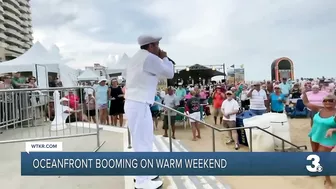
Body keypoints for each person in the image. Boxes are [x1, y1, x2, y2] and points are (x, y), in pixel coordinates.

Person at [124, 34, 174, 189]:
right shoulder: (149, 58)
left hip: (136, 103)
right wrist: (165, 58)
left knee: (144, 141)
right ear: (151, 46)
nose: (160, 48)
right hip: (139, 104)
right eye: (157, 45)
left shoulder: (136, 57)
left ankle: (145, 173)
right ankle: (141, 181)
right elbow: (169, 73)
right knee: (143, 143)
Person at [302, 92, 336, 189]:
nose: (327, 102)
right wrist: (304, 92)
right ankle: (315, 169)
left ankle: (328, 180)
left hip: (328, 139)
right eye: (325, 100)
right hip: (315, 135)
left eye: (330, 100)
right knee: (315, 153)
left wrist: (333, 129)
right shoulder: (319, 109)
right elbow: (306, 102)